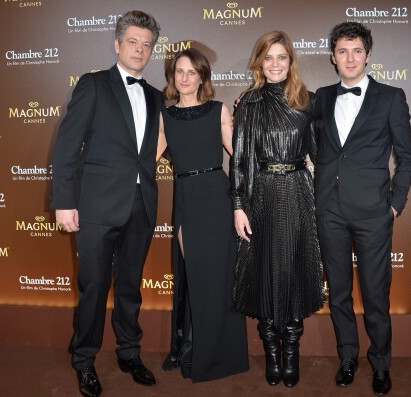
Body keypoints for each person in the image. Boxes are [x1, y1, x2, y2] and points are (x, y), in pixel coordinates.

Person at [50, 10, 163, 397]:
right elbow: (67, 146)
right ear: (117, 45)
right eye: (133, 42)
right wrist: (64, 202)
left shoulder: (155, 96)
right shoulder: (93, 85)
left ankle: (129, 352)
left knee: (130, 286)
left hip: (141, 204)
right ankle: (84, 359)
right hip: (96, 205)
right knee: (95, 287)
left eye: (146, 45)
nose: (140, 49)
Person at [313, 22, 411, 395]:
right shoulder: (320, 98)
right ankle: (347, 358)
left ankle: (381, 363)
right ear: (333, 57)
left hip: (374, 213)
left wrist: (394, 206)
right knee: (338, 294)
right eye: (342, 51)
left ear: (368, 55)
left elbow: (406, 158)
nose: (350, 58)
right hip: (329, 212)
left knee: (375, 295)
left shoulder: (391, 97)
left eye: (357, 51)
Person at [231, 31, 325, 388]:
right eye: (268, 58)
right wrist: (239, 206)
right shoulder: (249, 103)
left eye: (281, 58)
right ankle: (272, 350)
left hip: (299, 192)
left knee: (295, 271)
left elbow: (320, 156)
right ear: (259, 62)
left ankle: (292, 351)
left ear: (291, 61)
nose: (275, 65)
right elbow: (239, 161)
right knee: (265, 272)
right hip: (263, 194)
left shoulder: (308, 102)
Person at [158, 48, 249, 382]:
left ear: (202, 77)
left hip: (217, 197)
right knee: (192, 277)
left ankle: (218, 356)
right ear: (173, 77)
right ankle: (188, 348)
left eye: (191, 72)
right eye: (179, 72)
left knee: (219, 280)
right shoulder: (164, 117)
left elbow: (238, 157)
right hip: (186, 200)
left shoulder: (217, 110)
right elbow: (144, 159)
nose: (184, 78)